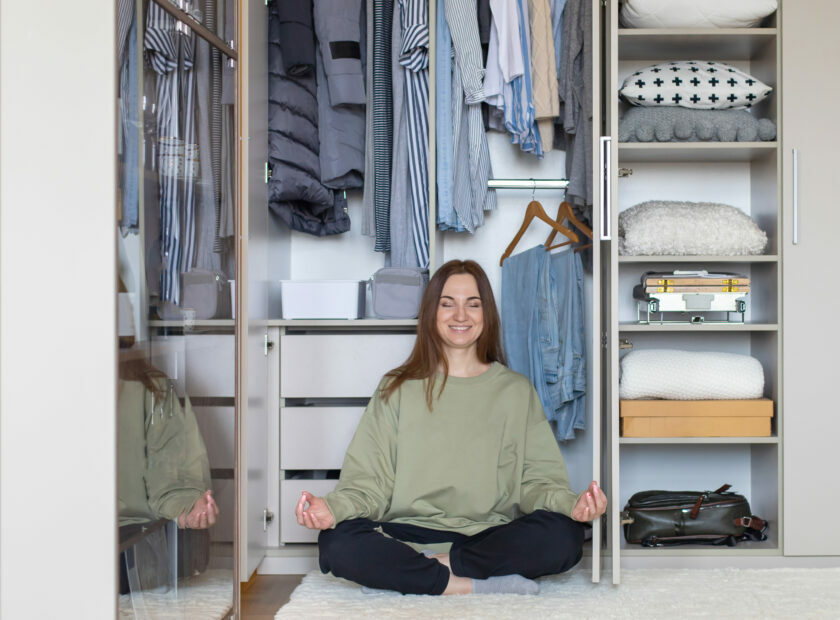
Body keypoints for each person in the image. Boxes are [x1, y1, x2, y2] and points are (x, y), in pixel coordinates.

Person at [295, 259, 607, 596]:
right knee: (336, 543)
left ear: (487, 314)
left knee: (565, 536)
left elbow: (537, 483)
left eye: (473, 304)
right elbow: (369, 483)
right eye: (448, 304)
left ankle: (435, 570)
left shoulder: (516, 391)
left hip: (488, 535)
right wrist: (333, 508)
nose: (461, 315)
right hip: (404, 535)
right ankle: (467, 583)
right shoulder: (396, 387)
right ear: (432, 312)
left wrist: (572, 504)